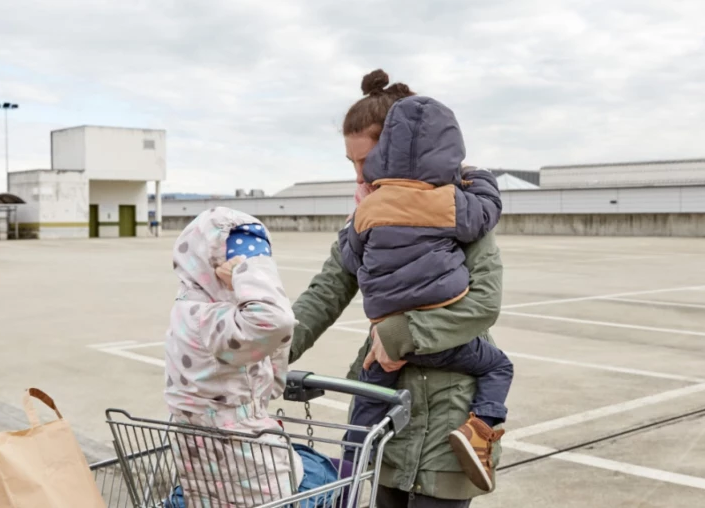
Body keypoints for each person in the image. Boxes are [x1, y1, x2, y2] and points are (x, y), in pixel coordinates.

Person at [290, 69, 505, 507]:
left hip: (449, 425)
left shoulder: (458, 212)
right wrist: (267, 350)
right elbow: (327, 291)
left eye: (364, 162)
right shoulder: (368, 217)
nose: (358, 177)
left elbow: (484, 303)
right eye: (350, 164)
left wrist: (399, 334)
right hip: (387, 416)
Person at [337, 94, 513, 493]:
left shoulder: (369, 208)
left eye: (364, 161)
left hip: (390, 340)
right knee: (499, 366)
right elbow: (487, 210)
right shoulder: (451, 204)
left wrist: (354, 226)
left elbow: (349, 261)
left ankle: (351, 457)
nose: (359, 174)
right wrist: (477, 177)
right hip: (439, 339)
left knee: (370, 385)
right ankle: (481, 429)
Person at [164, 207, 344, 508]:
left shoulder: (186, 313)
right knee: (326, 471)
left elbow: (268, 375)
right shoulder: (215, 322)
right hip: (256, 484)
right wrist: (245, 273)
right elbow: (277, 321)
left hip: (204, 486)